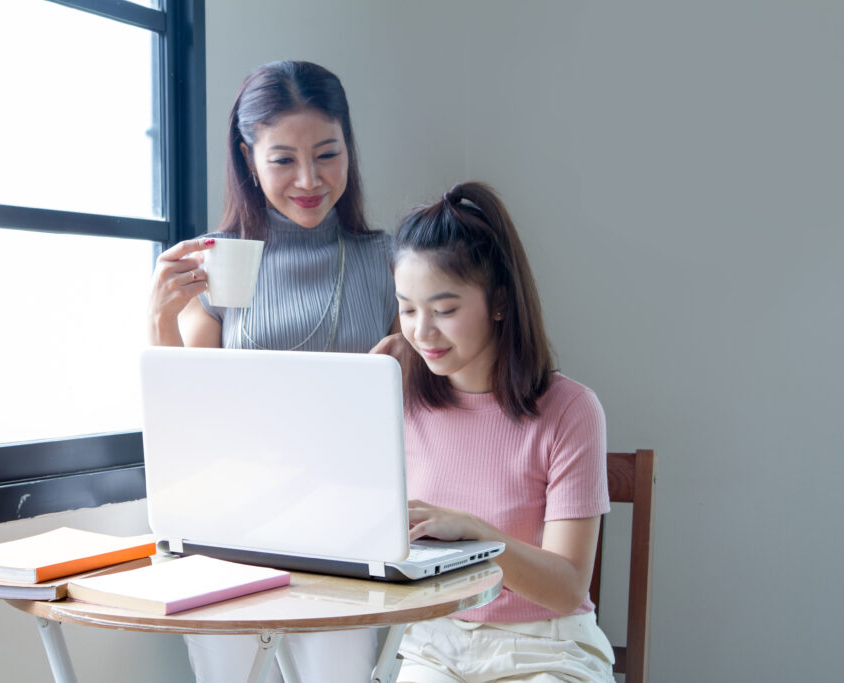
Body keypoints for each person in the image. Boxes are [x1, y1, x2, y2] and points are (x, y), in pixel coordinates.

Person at [147, 60, 396, 683]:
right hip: (229, 522)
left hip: (350, 526)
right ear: (248, 157)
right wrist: (159, 319)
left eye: (328, 154)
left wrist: (408, 372)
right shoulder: (221, 263)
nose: (309, 180)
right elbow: (188, 423)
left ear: (349, 150)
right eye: (283, 159)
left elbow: (436, 396)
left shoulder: (389, 259)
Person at [378, 182, 615, 682]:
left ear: (499, 302)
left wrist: (477, 534)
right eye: (408, 308)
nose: (422, 331)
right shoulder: (399, 398)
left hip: (547, 647)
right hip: (434, 644)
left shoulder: (570, 411)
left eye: (444, 310)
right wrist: (361, 401)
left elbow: (568, 587)